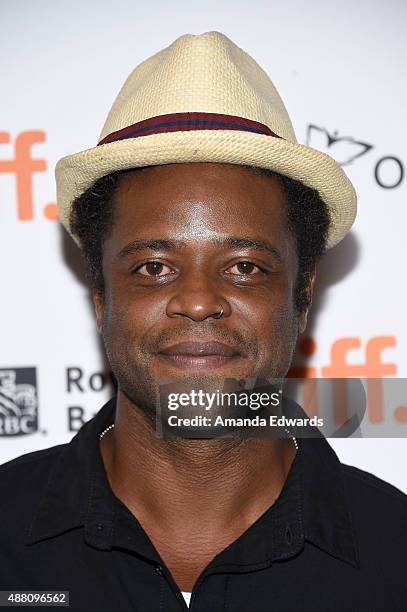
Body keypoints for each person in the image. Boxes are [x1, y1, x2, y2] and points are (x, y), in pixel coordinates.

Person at [0, 31, 405, 611]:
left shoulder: (395, 555)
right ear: (99, 296)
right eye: (153, 266)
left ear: (303, 296)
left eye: (244, 267)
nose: (197, 300)